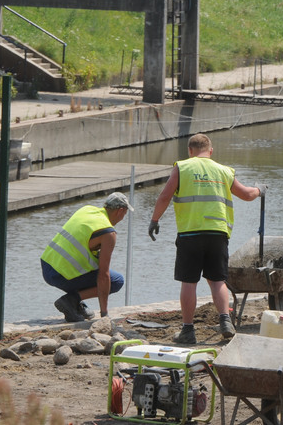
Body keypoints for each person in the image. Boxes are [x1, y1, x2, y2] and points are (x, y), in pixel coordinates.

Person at [148, 133, 262, 344]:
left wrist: (155, 220)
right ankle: (225, 321)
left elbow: (164, 196)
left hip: (190, 234)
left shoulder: (182, 167)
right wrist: (260, 190)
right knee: (217, 280)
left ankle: (188, 330)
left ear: (190, 151)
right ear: (211, 151)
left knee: (189, 282)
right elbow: (247, 194)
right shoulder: (224, 170)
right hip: (218, 233)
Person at [40, 191, 132, 322]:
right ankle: (71, 300)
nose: (123, 217)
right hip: (61, 275)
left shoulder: (87, 209)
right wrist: (104, 314)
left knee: (94, 268)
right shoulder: (108, 233)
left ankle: (74, 303)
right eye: (125, 213)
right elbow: (104, 274)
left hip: (47, 267)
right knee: (116, 281)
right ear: (120, 211)